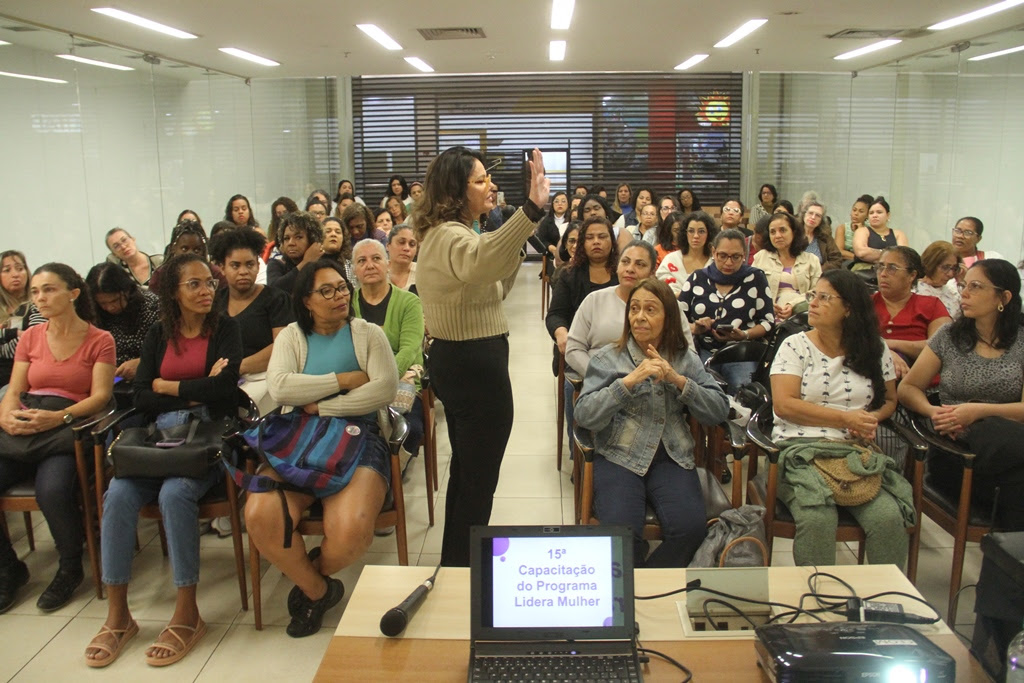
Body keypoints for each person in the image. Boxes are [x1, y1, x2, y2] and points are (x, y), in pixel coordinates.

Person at [85, 253, 241, 667]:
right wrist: (194, 387)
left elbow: (224, 392)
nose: (207, 290)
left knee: (175, 495)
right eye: (195, 284)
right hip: (159, 438)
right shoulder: (159, 334)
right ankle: (119, 616)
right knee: (117, 495)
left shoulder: (226, 329)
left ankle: (187, 613)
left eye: (209, 282)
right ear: (173, 291)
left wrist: (166, 384)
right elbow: (140, 396)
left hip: (205, 438)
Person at [245, 259, 398, 637]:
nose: (339, 296)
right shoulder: (291, 338)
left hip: (358, 436)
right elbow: (280, 388)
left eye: (342, 288)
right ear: (306, 301)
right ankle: (318, 589)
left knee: (350, 530)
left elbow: (383, 388)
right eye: (326, 291)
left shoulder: (368, 334)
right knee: (260, 514)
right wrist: (344, 379)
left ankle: (308, 574)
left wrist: (326, 405)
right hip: (297, 438)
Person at [412, 146, 549, 567]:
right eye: (479, 180)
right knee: (478, 476)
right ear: (455, 191)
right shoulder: (450, 235)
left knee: (470, 472)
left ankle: (458, 558)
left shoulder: (457, 232)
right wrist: (529, 211)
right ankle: (461, 567)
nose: (490, 185)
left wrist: (516, 237)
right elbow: (480, 263)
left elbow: (491, 285)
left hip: (467, 362)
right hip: (472, 366)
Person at [574, 278, 729, 567]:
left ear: (668, 317)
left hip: (671, 455)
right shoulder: (609, 359)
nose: (639, 317)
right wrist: (628, 382)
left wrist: (678, 380)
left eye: (650, 309)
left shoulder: (684, 359)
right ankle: (635, 590)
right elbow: (584, 415)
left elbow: (719, 410)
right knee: (622, 535)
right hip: (619, 455)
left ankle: (645, 583)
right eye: (634, 309)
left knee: (690, 529)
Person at [771, 269, 914, 566]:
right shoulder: (795, 345)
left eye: (824, 297)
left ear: (848, 308)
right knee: (817, 517)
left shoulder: (874, 348)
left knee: (888, 517)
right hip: (800, 451)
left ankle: (883, 603)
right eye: (814, 295)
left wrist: (870, 419)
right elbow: (784, 406)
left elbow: (889, 399)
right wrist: (846, 419)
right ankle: (817, 603)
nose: (813, 303)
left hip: (854, 452)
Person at [0, 263, 114, 614]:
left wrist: (60, 417)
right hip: (25, 423)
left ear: (73, 293)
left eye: (48, 289)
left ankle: (69, 566)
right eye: (35, 292)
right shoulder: (31, 338)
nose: (40, 298)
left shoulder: (99, 339)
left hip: (66, 427)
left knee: (53, 490)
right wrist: (5, 416)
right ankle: (8, 569)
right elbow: (15, 389)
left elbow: (100, 397)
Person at [898, 259, 1024, 531]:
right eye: (964, 285)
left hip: (1011, 447)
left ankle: (1004, 565)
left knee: (1015, 479)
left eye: (976, 287)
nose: (964, 293)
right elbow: (907, 388)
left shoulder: (1022, 341)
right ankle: (1007, 566)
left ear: (1004, 297)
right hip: (958, 454)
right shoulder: (949, 336)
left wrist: (977, 411)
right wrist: (935, 412)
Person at [351, 239, 425, 457]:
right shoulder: (346, 304)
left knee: (409, 430)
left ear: (387, 264)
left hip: (402, 380)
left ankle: (389, 475)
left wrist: (380, 379)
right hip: (358, 381)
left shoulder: (409, 302)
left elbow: (410, 350)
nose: (370, 265)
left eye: (376, 258)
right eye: (362, 261)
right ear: (354, 270)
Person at [678, 228, 774, 392]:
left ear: (744, 255)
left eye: (736, 257)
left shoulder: (755, 278)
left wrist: (744, 334)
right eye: (722, 256)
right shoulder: (698, 277)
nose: (729, 263)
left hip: (740, 353)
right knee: (698, 390)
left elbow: (768, 322)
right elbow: (676, 319)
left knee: (742, 390)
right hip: (702, 349)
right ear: (713, 252)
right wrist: (695, 328)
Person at [209, 228, 292, 414]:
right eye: (235, 265)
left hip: (267, 381)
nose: (243, 271)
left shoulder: (277, 299)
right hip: (222, 381)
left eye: (249, 264)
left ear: (258, 264)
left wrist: (236, 367)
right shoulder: (214, 302)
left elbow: (282, 347)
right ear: (222, 268)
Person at [873, 246, 951, 378]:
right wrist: (886, 353)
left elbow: (942, 348)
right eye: (880, 267)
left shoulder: (931, 305)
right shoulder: (864, 303)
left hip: (925, 383)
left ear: (912, 275)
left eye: (892, 268)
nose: (883, 274)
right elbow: (850, 342)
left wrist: (889, 344)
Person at [547, 217, 619, 359]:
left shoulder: (623, 273)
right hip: (580, 349)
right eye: (590, 238)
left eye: (602, 236)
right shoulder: (569, 275)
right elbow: (555, 315)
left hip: (618, 348)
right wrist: (561, 333)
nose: (596, 241)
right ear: (582, 244)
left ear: (612, 242)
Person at [85, 262, 160, 383]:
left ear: (127, 290)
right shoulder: (93, 312)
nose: (110, 308)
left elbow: (170, 350)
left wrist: (143, 362)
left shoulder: (152, 306)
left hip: (147, 377)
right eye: (103, 303)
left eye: (115, 300)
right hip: (108, 379)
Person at [753, 212, 821, 321]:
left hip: (803, 315)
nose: (777, 236)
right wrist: (767, 304)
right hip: (768, 316)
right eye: (773, 232)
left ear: (794, 232)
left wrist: (793, 305)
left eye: (783, 230)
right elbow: (752, 289)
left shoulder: (811, 260)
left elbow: (817, 292)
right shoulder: (761, 257)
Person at [0, 251, 44, 387]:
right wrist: (14, 333)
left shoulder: (38, 304)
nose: (15, 274)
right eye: (7, 270)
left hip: (26, 375)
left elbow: (34, 340)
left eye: (20, 268)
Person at [148, 221, 225, 293]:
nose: (190, 254)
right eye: (184, 249)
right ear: (173, 248)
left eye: (197, 250)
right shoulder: (161, 275)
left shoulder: (215, 274)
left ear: (204, 250)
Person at [656, 211, 716, 296]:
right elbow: (662, 290)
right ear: (685, 233)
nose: (696, 236)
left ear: (709, 234)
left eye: (701, 231)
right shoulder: (671, 259)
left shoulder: (715, 263)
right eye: (691, 231)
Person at [267, 211, 324, 294]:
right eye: (286, 238)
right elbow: (275, 290)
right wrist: (306, 262)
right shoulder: (277, 264)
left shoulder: (324, 264)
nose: (291, 243)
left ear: (313, 240)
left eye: (298, 237)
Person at [852, 197, 908, 270]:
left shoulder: (898, 234)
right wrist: (891, 256)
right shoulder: (862, 231)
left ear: (888, 215)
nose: (875, 215)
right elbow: (861, 252)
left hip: (892, 272)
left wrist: (876, 254)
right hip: (864, 271)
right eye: (871, 213)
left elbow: (903, 257)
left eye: (879, 212)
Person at [915, 241, 962, 318]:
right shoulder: (912, 292)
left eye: (954, 268)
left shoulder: (954, 293)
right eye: (945, 267)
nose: (950, 274)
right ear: (931, 264)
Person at [801, 201, 843, 271]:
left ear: (821, 220)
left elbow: (836, 260)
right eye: (810, 213)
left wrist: (819, 271)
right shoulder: (792, 234)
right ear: (804, 214)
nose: (813, 217)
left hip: (819, 276)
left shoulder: (825, 237)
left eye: (818, 215)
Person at [536, 191, 571, 274]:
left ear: (568, 204)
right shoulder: (546, 221)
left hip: (570, 256)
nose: (560, 204)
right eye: (556, 201)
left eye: (563, 201)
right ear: (552, 204)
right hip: (552, 256)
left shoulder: (571, 219)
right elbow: (541, 239)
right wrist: (550, 247)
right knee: (556, 273)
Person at [833, 195, 873, 261]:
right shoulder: (842, 228)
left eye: (861, 211)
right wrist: (859, 258)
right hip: (845, 262)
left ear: (867, 215)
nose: (856, 213)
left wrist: (860, 231)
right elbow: (839, 251)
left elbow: (869, 251)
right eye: (854, 210)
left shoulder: (869, 230)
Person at [321, 216, 355, 283]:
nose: (333, 234)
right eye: (328, 231)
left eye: (338, 232)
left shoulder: (350, 262)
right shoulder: (311, 261)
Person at [265, 197, 299, 261]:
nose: (282, 216)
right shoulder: (272, 228)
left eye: (285, 212)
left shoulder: (300, 227)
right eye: (279, 213)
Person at [386, 225, 418, 293]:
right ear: (388, 246)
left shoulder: (422, 273)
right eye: (401, 242)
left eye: (412, 244)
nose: (406, 248)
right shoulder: (378, 271)